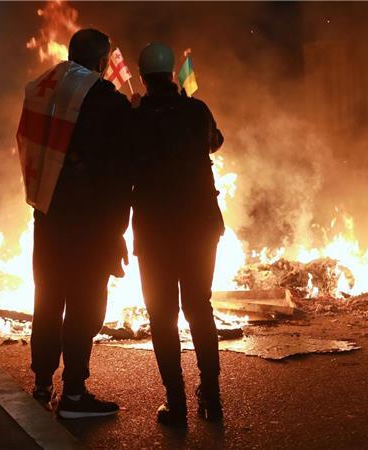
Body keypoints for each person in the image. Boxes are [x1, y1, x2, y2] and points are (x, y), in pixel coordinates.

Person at [18, 28, 131, 419]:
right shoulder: (105, 101)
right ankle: (75, 395)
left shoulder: (44, 88)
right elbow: (118, 174)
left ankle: (42, 382)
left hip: (48, 216)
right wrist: (117, 232)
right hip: (90, 225)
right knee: (85, 305)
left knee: (48, 299)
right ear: (102, 63)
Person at [130, 42, 225, 426]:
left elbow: (125, 164)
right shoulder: (196, 109)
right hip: (201, 224)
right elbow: (215, 142)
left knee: (163, 316)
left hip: (155, 230)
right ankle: (212, 397)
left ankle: (177, 402)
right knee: (200, 308)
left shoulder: (135, 117)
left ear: (142, 77)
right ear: (171, 74)